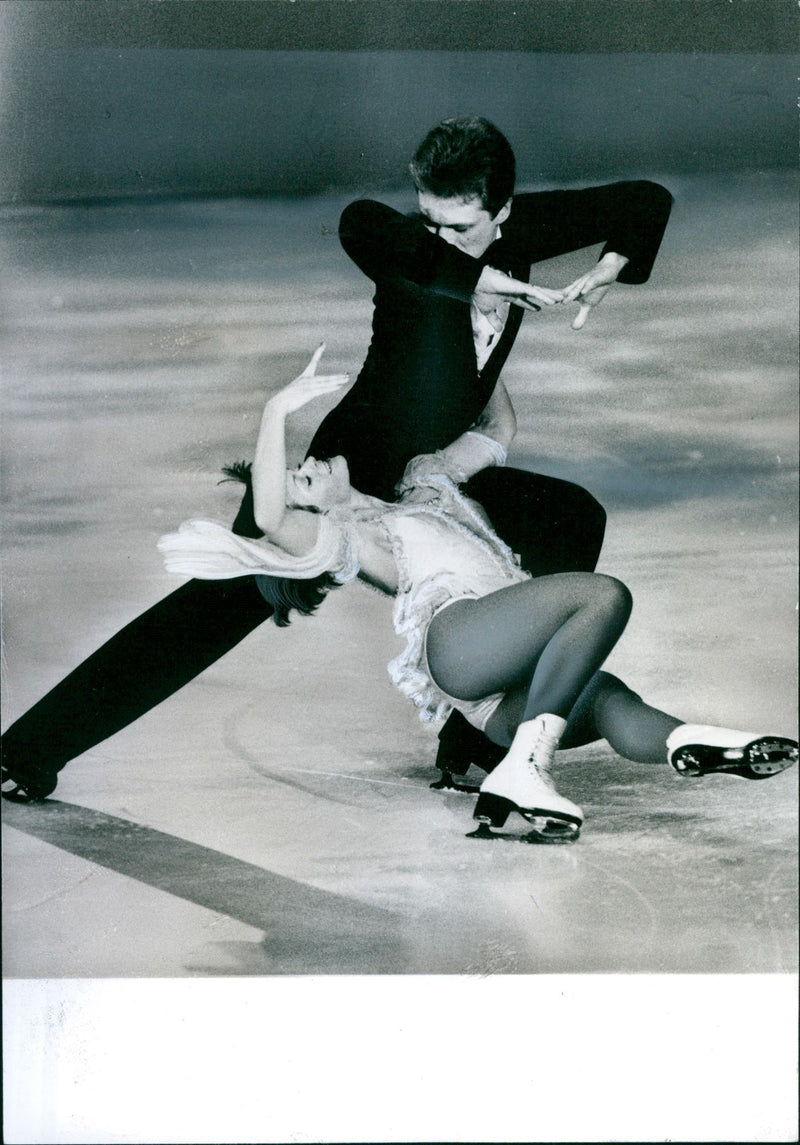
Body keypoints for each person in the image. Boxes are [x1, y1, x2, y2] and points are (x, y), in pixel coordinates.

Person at [1, 116, 673, 803]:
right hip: (345, 479)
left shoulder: (523, 229)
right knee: (211, 608)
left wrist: (611, 266)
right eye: (429, 221)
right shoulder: (405, 249)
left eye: (460, 227)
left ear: (502, 211)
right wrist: (478, 279)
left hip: (429, 486)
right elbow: (364, 224)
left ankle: (480, 745)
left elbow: (646, 201)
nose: (437, 238)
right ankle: (23, 752)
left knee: (569, 517)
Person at [158, 349, 798, 841]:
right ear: (310, 511)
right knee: (601, 597)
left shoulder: (425, 480)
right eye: (301, 479)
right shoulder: (346, 536)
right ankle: (525, 768)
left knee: (605, 700)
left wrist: (478, 335)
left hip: (494, 698)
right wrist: (277, 409)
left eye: (300, 464)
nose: (311, 465)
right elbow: (270, 517)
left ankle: (698, 742)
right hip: (458, 643)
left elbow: (498, 425)